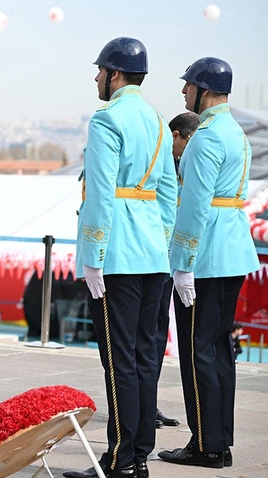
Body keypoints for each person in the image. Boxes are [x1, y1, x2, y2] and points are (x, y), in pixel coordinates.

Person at [64, 37, 177, 478]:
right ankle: (140, 457)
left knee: (119, 360)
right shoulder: (157, 119)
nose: (96, 77)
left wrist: (92, 254)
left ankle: (119, 460)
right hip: (151, 253)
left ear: (115, 74)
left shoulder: (106, 119)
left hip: (119, 256)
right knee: (145, 357)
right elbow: (168, 195)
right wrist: (161, 242)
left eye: (100, 70)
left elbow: (100, 196)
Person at [159, 57, 259, 470]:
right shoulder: (237, 133)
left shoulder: (206, 137)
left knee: (198, 351)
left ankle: (204, 445)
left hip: (206, 256)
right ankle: (220, 439)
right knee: (219, 351)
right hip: (233, 249)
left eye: (188, 86)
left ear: (203, 89)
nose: (183, 92)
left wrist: (182, 263)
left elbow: (195, 206)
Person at [155, 111, 200, 430]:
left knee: (157, 333)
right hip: (154, 256)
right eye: (188, 143)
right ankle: (144, 403)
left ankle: (148, 403)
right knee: (145, 334)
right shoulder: (162, 165)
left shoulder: (185, 166)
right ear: (176, 136)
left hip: (173, 259)